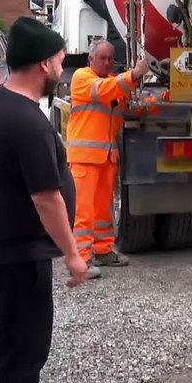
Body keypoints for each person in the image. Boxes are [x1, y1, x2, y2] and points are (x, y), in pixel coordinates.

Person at [0, 17, 86, 383]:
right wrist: (72, 254)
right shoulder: (28, 122)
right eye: (59, 60)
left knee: (15, 333)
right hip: (15, 250)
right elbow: (47, 198)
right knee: (25, 342)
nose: (61, 68)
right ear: (42, 64)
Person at [65, 39, 151, 278]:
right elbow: (104, 91)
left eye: (109, 58)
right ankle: (81, 259)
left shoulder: (111, 82)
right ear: (90, 59)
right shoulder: (82, 78)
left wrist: (160, 100)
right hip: (84, 158)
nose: (106, 62)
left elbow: (127, 104)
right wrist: (133, 74)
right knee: (83, 211)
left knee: (103, 210)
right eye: (101, 58)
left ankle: (102, 251)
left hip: (105, 157)